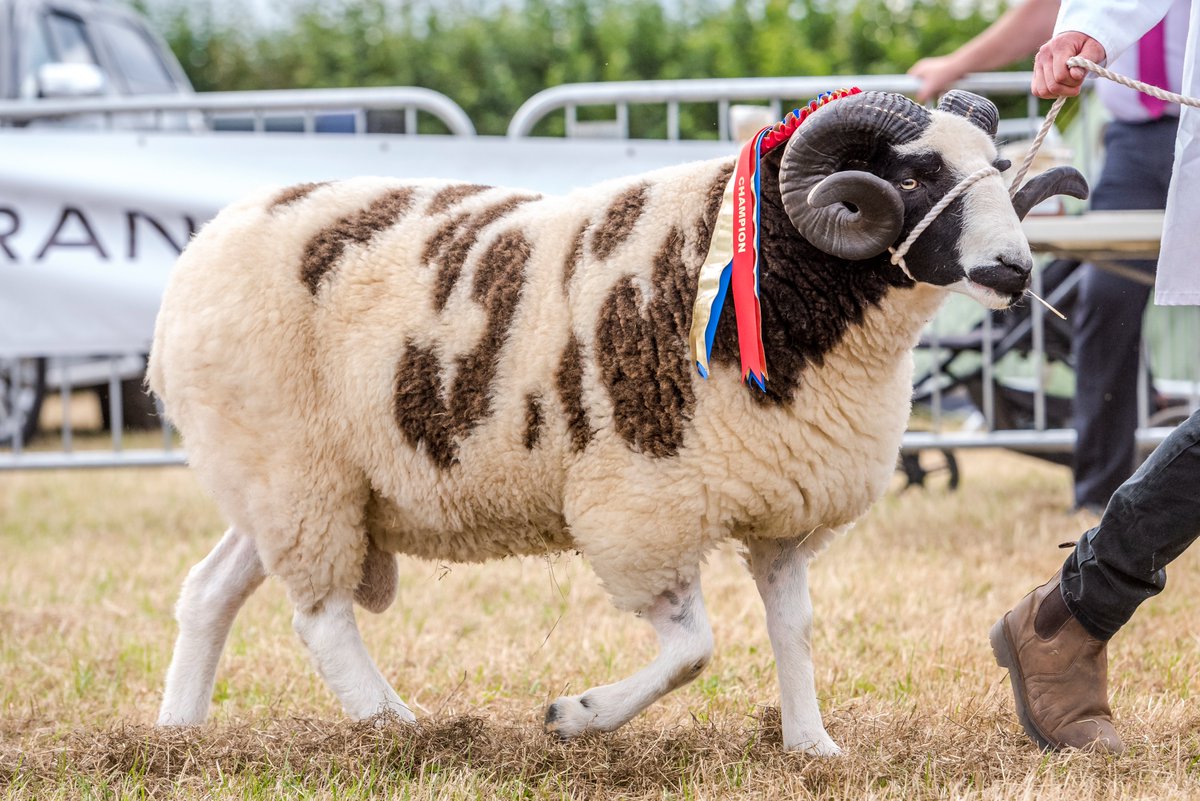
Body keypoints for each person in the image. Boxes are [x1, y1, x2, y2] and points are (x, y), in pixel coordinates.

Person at [990, 0, 1200, 754]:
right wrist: (1101, 24)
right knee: (1108, 304)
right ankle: (1071, 612)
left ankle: (1074, 609)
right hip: (1141, 133)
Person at [909, 0, 1189, 517]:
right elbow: (1052, 8)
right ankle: (1100, 499)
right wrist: (955, 67)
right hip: (1133, 142)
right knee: (1105, 297)